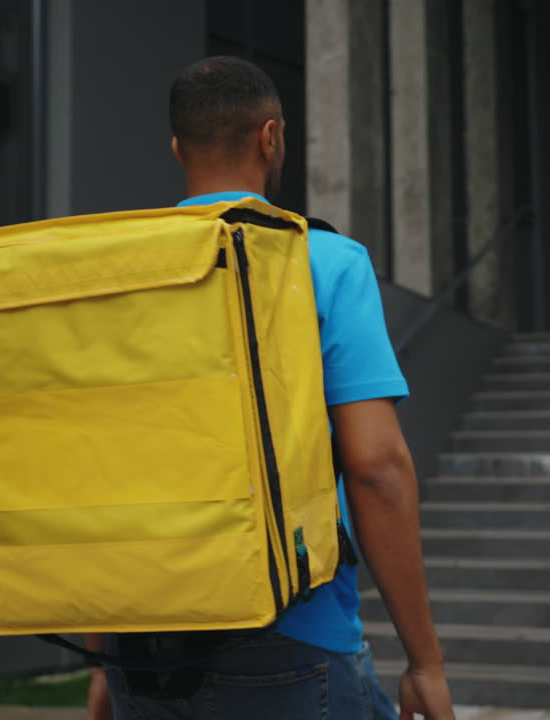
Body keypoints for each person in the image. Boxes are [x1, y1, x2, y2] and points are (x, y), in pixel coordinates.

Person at [85, 56, 455, 720]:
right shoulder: (325, 261)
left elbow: (105, 467)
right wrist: (425, 662)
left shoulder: (118, 271)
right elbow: (376, 467)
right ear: (271, 137)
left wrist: (103, 656)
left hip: (142, 645)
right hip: (294, 638)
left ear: (177, 150)